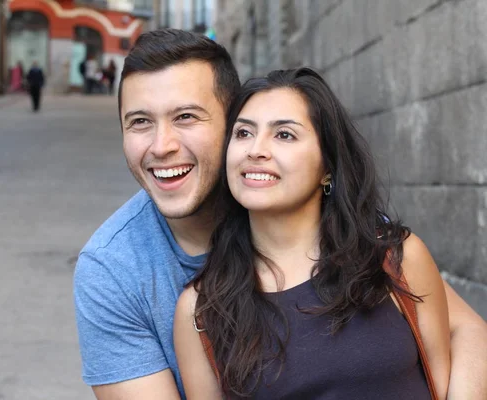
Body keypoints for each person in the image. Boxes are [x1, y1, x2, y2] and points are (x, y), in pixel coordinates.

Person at [73, 29, 487, 400]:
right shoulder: (116, 272)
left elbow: (462, 331)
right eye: (140, 122)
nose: (162, 145)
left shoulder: (332, 221)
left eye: (186, 117)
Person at [174, 68, 450, 399]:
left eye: (284, 135)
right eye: (243, 133)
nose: (255, 150)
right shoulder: (202, 307)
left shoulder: (395, 258)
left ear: (328, 166)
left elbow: (444, 383)